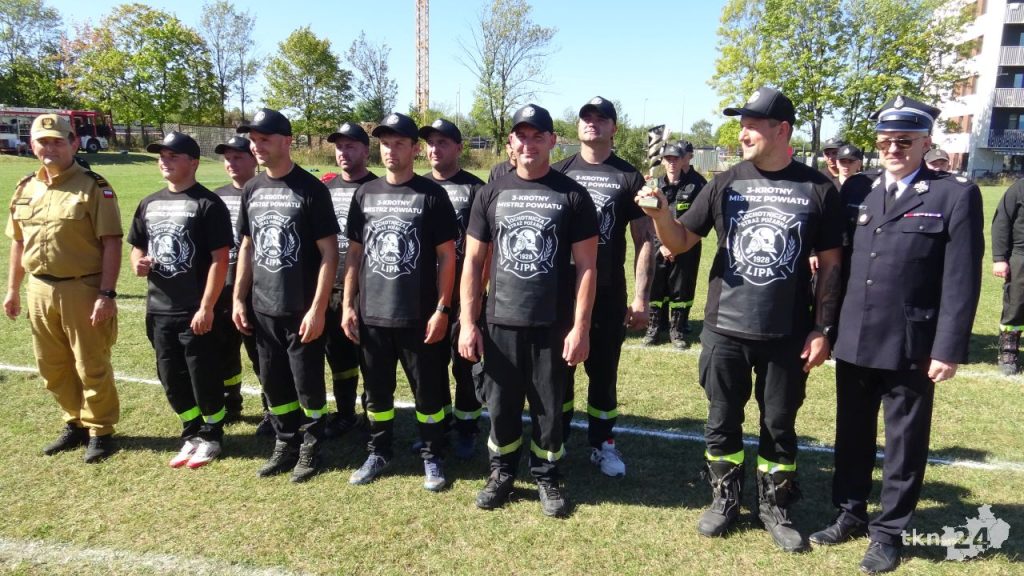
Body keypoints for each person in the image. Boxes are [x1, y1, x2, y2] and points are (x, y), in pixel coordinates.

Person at [636, 87, 844, 552]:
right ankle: (724, 500)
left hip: (787, 331)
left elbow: (832, 265)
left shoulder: (818, 188)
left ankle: (775, 507)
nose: (743, 133)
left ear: (782, 130)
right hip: (725, 328)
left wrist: (822, 328)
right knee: (721, 420)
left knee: (780, 424)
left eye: (752, 125)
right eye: (741, 125)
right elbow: (682, 241)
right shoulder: (726, 182)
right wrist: (661, 215)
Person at [811, 95, 984, 574]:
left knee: (904, 442)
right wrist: (826, 327)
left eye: (904, 141)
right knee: (852, 433)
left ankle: (888, 533)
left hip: (912, 341)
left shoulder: (953, 194)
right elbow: (841, 263)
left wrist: (947, 348)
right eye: (885, 141)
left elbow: (961, 279)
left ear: (926, 142)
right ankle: (849, 513)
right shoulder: (859, 190)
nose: (892, 149)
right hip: (855, 334)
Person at [459, 103, 598, 518]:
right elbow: (473, 263)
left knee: (549, 410)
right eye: (522, 136)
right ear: (510, 142)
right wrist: (468, 322)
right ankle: (501, 472)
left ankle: (547, 475)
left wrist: (580, 328)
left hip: (552, 324)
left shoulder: (573, 195)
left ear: (553, 141)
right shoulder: (490, 192)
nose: (529, 144)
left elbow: (587, 267)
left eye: (538, 136)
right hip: (500, 322)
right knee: (500, 407)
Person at [341, 112, 458, 491]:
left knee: (429, 394)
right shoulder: (365, 193)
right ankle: (379, 451)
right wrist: (348, 305)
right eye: (385, 144)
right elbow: (354, 255)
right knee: (377, 393)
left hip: (418, 317)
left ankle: (432, 455)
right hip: (372, 315)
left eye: (399, 144)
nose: (391, 151)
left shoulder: (432, 195)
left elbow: (447, 257)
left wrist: (442, 309)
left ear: (415, 149)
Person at [3, 113, 123, 464]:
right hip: (39, 288)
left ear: (74, 143)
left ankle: (100, 429)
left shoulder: (92, 186)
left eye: (58, 141)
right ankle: (75, 422)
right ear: (32, 145)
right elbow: (18, 242)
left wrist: (107, 293)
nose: (50, 148)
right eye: (43, 142)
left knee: (91, 363)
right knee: (52, 365)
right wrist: (12, 290)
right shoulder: (26, 187)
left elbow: (112, 242)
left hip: (81, 288)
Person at [232, 108, 340, 483]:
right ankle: (285, 442)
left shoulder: (311, 189)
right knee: (274, 382)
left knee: (307, 383)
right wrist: (239, 298)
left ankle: (311, 447)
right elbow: (247, 246)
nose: (256, 146)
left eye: (264, 139)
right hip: (263, 307)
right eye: (253, 140)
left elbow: (329, 254)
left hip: (300, 309)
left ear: (286, 141)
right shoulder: (252, 189)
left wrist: (318, 309)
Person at [550, 96, 653, 477]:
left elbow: (645, 240)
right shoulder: (558, 173)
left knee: (604, 374)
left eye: (601, 118)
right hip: (562, 294)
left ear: (614, 127)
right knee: (557, 372)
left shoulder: (628, 176)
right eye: (586, 117)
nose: (592, 122)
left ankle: (603, 444)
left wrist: (641, 298)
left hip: (608, 294)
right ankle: (556, 438)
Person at [127, 132, 233, 468]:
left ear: (193, 162)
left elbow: (220, 259)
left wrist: (207, 306)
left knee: (203, 376)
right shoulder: (149, 202)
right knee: (170, 376)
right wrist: (138, 263)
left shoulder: (207, 204)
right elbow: (138, 246)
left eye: (173, 156)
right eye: (162, 155)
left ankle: (212, 434)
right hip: (159, 309)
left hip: (193, 310)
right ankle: (191, 432)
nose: (165, 161)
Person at [420, 117, 487, 459]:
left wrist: (476, 297)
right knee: (430, 366)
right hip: (424, 295)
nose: (435, 149)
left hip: (464, 296)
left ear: (459, 148)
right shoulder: (416, 187)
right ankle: (440, 425)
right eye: (430, 143)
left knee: (465, 365)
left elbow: (487, 250)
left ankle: (467, 428)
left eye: (443, 143)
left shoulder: (476, 189)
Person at [322, 122, 378, 437]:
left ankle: (373, 415)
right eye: (339, 147)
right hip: (333, 287)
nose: (344, 152)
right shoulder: (325, 190)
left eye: (351, 146)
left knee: (370, 358)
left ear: (365, 151)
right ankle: (345, 413)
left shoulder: (378, 188)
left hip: (367, 289)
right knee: (339, 357)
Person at [211, 135, 262, 427]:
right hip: (223, 287)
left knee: (261, 354)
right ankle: (231, 401)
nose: (231, 163)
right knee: (224, 351)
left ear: (254, 159)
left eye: (238, 157)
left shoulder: (266, 193)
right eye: (227, 158)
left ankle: (272, 406)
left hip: (258, 291)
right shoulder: (215, 197)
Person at [645, 140, 707, 349]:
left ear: (683, 161)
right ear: (663, 161)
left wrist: (677, 244)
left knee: (681, 289)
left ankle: (677, 331)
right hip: (659, 246)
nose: (672, 163)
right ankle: (654, 329)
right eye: (668, 159)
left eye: (676, 159)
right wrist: (663, 244)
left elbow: (699, 217)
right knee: (656, 287)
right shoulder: (654, 185)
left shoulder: (695, 186)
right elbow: (649, 218)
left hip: (686, 246)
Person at [992, 178, 1024, 375]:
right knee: (1016, 305)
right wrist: (999, 258)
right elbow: (1001, 222)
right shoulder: (1018, 188)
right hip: (1021, 256)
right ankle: (1008, 351)